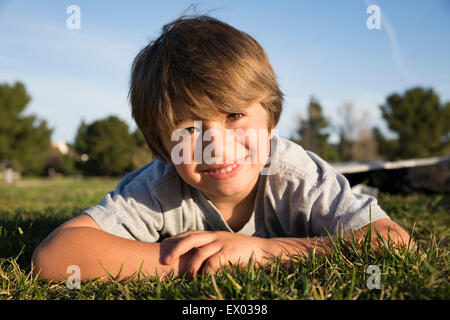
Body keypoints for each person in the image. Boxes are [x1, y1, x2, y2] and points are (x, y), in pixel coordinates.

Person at [32, 14, 411, 282]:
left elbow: (393, 244)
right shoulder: (157, 189)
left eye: (234, 115)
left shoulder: (297, 176)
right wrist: (199, 262)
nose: (216, 145)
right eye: (189, 128)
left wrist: (262, 253)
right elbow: (56, 257)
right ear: (163, 146)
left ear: (271, 118)